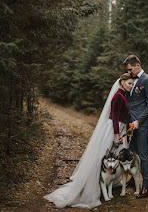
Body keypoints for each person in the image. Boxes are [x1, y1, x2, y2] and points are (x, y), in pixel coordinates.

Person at [44, 73, 134, 209]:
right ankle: (90, 188)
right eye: (129, 83)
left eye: (132, 84)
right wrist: (116, 135)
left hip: (120, 129)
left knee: (116, 158)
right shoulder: (118, 96)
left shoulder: (124, 95)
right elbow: (115, 117)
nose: (131, 86)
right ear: (122, 82)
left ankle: (107, 183)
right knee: (101, 158)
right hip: (112, 130)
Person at [124, 55, 148, 199]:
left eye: (130, 69)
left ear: (137, 65)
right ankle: (133, 179)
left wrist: (139, 121)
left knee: (143, 155)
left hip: (142, 124)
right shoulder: (131, 81)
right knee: (133, 152)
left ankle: (146, 186)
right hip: (131, 123)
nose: (129, 72)